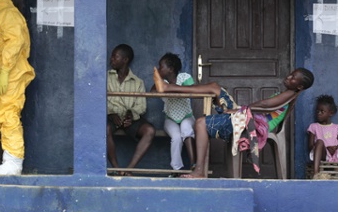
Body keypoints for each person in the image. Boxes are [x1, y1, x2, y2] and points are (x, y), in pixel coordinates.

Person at [154, 67, 314, 178]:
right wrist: (240, 110)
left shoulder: (289, 94)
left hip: (247, 121)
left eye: (293, 78)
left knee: (201, 123)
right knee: (215, 88)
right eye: (291, 74)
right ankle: (167, 88)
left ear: (299, 86)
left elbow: (265, 105)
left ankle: (199, 171)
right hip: (245, 117)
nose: (289, 77)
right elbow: (263, 107)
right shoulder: (290, 94)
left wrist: (239, 111)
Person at [0, 0, 36, 175]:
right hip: (6, 74)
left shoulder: (8, 15)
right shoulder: (3, 17)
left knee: (9, 115)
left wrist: (5, 70)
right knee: (6, 115)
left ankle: (13, 162)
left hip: (12, 73)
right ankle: (9, 160)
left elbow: (15, 42)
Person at [107, 44, 156, 176]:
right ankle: (117, 169)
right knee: (104, 129)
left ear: (125, 60)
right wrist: (110, 113)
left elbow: (141, 106)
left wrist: (131, 115)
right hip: (112, 117)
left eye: (115, 56)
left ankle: (129, 169)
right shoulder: (106, 77)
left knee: (149, 131)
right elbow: (99, 100)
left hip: (130, 120)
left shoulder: (137, 82)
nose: (111, 59)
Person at [151, 53, 196, 174]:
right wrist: (158, 80)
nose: (159, 69)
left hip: (187, 116)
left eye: (161, 67)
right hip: (170, 118)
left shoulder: (184, 77)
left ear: (170, 69)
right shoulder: (162, 82)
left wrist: (170, 87)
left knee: (186, 129)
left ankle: (194, 164)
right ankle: (176, 169)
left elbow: (193, 90)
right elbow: (152, 91)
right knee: (176, 137)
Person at [307, 95, 338, 178]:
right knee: (320, 141)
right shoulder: (314, 126)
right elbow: (310, 147)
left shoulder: (336, 127)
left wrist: (335, 147)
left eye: (322, 111)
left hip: (335, 154)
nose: (319, 113)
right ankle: (316, 174)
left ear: (330, 113)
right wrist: (323, 147)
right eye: (317, 111)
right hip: (323, 154)